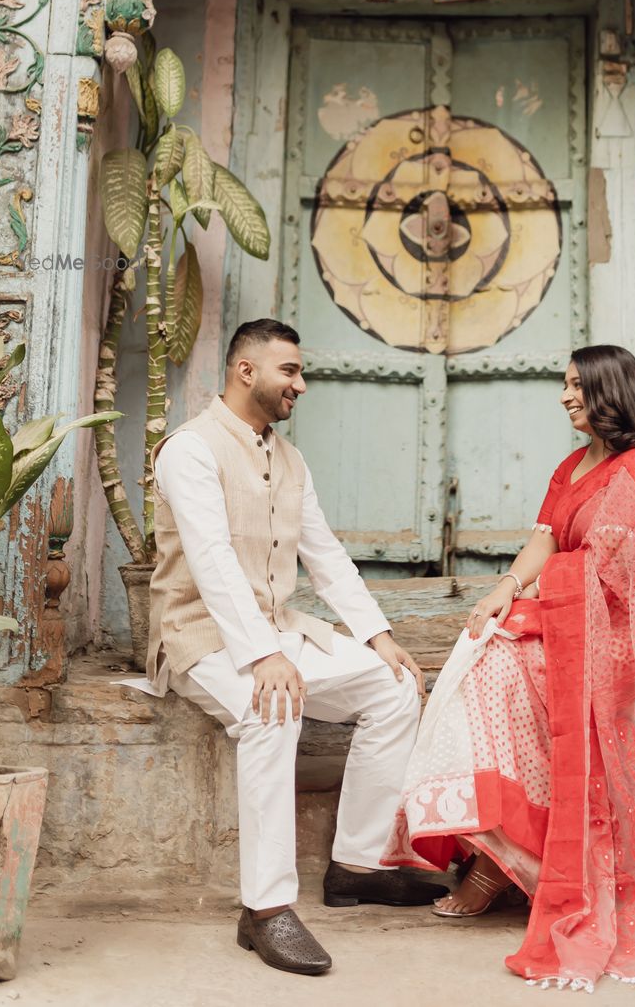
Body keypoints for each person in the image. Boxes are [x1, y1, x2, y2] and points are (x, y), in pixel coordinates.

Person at [383, 344, 635, 991]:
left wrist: (546, 602)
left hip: (620, 649)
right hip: (572, 625)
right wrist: (508, 589)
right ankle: (502, 850)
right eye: (565, 386)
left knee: (498, 667)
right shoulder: (573, 464)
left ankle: (516, 860)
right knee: (484, 651)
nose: (566, 397)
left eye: (577, 386)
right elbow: (547, 538)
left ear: (609, 391)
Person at [142, 318, 447, 977]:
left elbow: (325, 554)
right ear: (245, 370)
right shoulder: (189, 450)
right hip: (200, 638)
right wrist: (260, 655)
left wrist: (378, 636)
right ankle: (266, 909)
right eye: (290, 371)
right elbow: (213, 561)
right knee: (270, 707)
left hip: (283, 631)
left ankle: (356, 866)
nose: (300, 385)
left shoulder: (288, 457)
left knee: (393, 689)